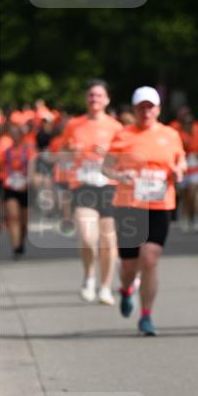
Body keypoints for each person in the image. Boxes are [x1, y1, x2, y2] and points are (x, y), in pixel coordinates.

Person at [102, 86, 186, 336]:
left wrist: (179, 170)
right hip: (129, 206)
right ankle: (127, 288)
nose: (146, 111)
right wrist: (120, 175)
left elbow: (180, 159)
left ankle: (146, 315)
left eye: (150, 107)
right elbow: (106, 168)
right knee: (129, 267)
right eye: (141, 107)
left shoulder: (170, 134)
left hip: (160, 204)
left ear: (158, 109)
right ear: (134, 109)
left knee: (149, 258)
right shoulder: (123, 135)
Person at [62, 80, 122, 303]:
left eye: (99, 95)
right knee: (87, 238)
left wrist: (107, 154)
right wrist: (70, 151)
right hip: (83, 184)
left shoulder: (116, 127)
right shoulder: (74, 125)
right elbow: (62, 154)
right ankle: (89, 276)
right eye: (91, 95)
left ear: (107, 100)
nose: (94, 99)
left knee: (108, 241)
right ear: (86, 99)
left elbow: (124, 159)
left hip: (109, 186)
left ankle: (105, 287)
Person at [0, 123, 33, 257]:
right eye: (12, 134)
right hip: (10, 187)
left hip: (25, 187)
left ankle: (21, 241)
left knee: (24, 220)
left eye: (17, 133)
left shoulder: (28, 151)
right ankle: (16, 246)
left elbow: (33, 167)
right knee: (13, 217)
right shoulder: (5, 152)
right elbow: (0, 168)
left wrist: (28, 181)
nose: (14, 136)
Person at [171, 107, 198, 232]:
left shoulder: (197, 127)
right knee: (184, 196)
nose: (187, 122)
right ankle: (184, 218)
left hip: (195, 166)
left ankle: (193, 219)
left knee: (193, 194)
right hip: (182, 166)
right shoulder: (174, 128)